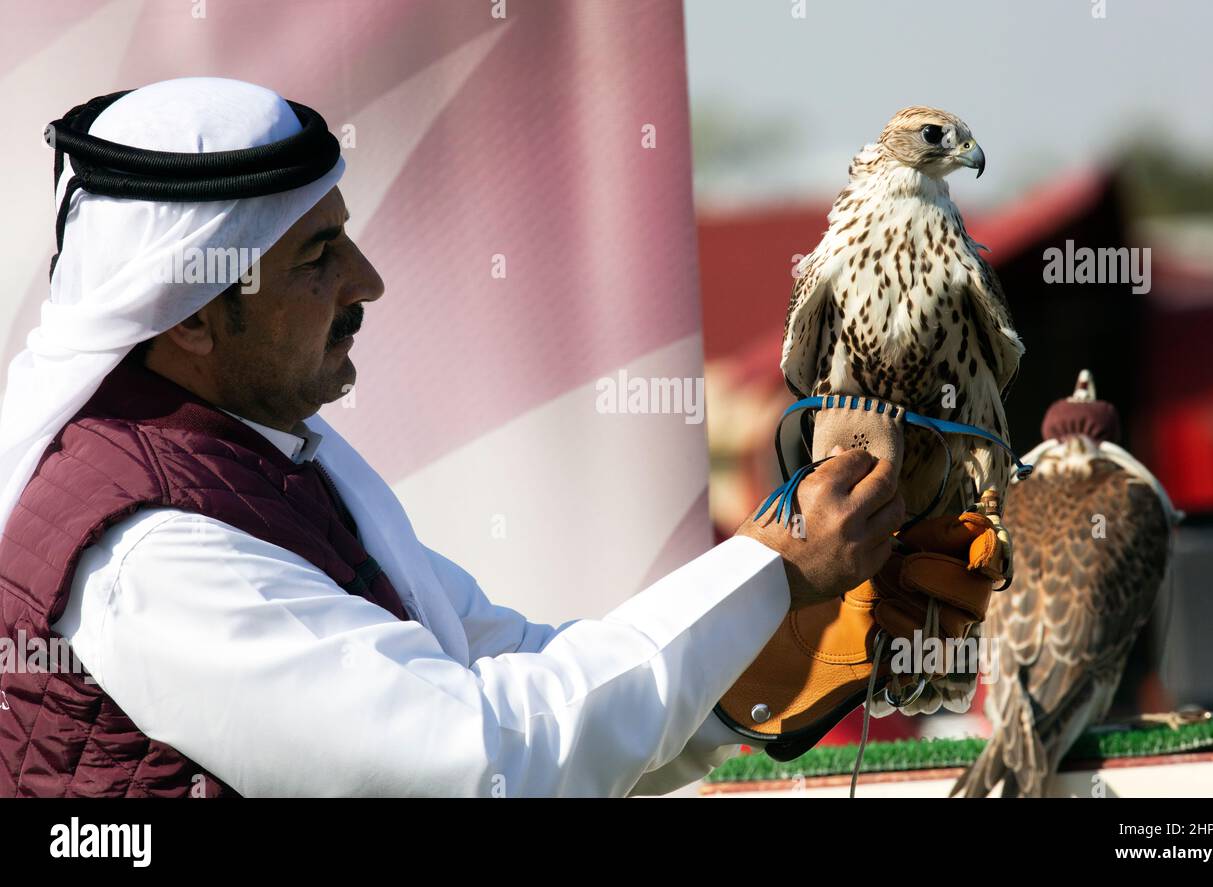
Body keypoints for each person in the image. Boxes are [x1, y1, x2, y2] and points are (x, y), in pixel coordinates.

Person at [0, 77, 904, 797]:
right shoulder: (151, 552)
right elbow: (484, 761)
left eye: (343, 238)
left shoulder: (265, 458)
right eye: (317, 257)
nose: (368, 282)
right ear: (191, 315)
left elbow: (522, 671)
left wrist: (800, 629)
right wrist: (770, 569)